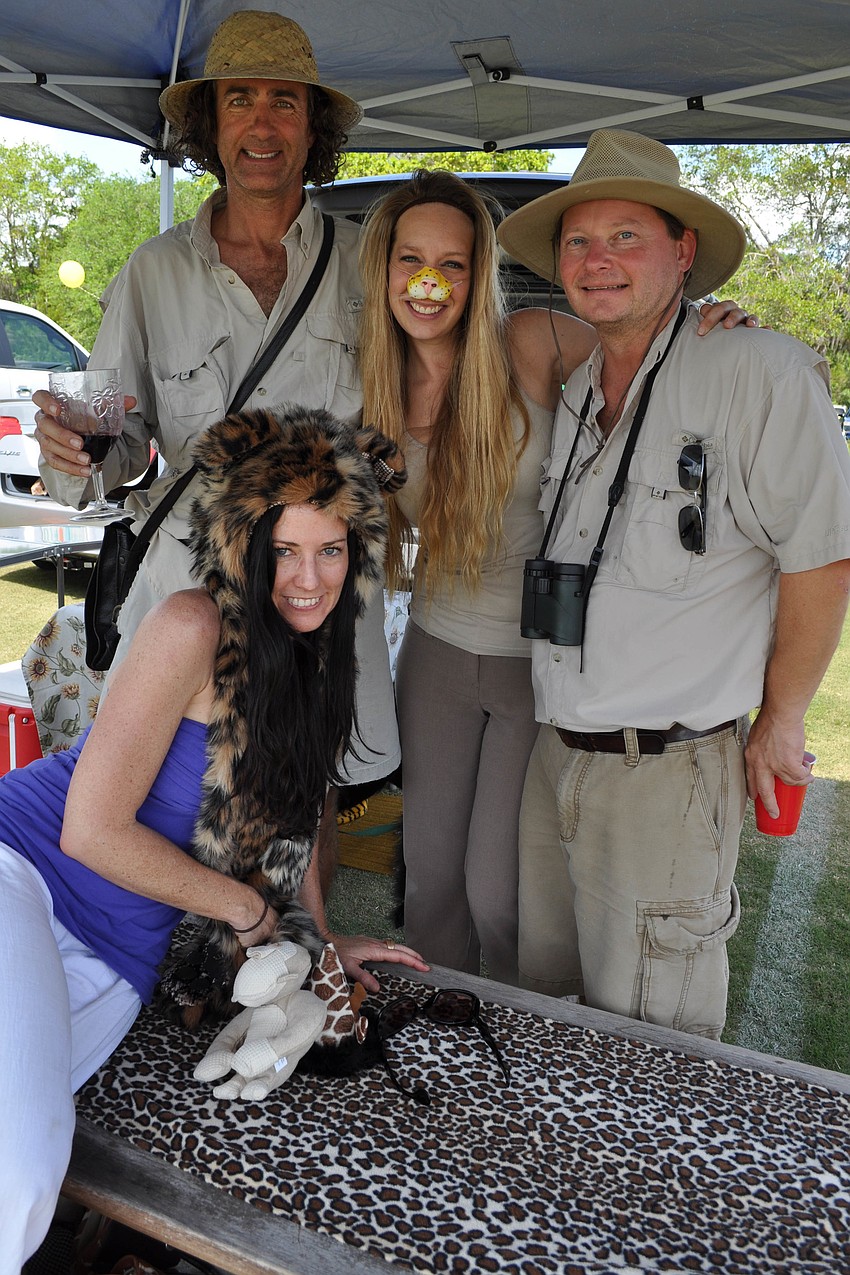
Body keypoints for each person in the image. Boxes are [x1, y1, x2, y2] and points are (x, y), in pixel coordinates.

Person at [0, 405, 427, 1270]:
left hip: (120, 956)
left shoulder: (323, 659)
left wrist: (317, 933)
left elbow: (295, 820)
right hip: (27, 874)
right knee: (20, 1167)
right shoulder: (193, 624)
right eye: (285, 548)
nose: (307, 579)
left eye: (332, 550)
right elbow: (90, 829)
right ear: (244, 539)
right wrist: (242, 909)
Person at [358, 168, 753, 986]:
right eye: (410, 259)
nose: (429, 282)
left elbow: (650, 358)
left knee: (501, 895)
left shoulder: (533, 339)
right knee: (431, 881)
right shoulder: (367, 389)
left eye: (455, 264)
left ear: (480, 274)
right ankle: (442, 1036)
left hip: (538, 661)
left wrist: (718, 331)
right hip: (433, 650)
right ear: (385, 269)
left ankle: (517, 1048)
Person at [494, 128, 850, 1035]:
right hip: (556, 754)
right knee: (548, 1014)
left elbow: (821, 555)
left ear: (683, 251)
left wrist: (782, 717)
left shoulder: (757, 371)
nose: (596, 259)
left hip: (667, 771)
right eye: (578, 240)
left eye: (626, 237)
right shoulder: (578, 390)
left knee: (655, 1055)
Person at [31, 8, 394, 892]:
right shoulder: (150, 272)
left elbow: (461, 374)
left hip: (322, 597)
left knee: (310, 808)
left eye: (284, 102)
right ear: (210, 124)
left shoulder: (367, 267)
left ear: (315, 128)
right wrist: (75, 446)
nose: (262, 125)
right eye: (240, 101)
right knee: (174, 821)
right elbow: (106, 430)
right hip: (188, 604)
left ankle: (304, 963)